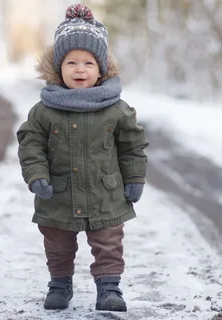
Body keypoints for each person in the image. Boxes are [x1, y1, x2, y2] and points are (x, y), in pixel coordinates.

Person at [16, 3, 148, 312]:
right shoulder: (45, 110)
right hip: (58, 193)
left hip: (106, 193)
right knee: (58, 244)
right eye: (71, 62)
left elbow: (132, 145)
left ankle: (109, 288)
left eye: (88, 62)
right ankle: (60, 283)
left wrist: (134, 178)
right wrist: (36, 174)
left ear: (101, 68)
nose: (79, 69)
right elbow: (30, 143)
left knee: (108, 244)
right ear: (57, 67)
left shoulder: (116, 107)